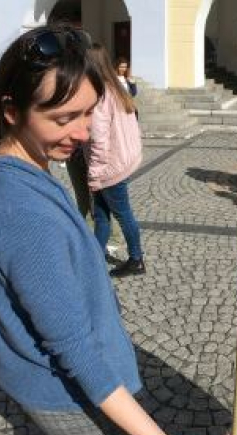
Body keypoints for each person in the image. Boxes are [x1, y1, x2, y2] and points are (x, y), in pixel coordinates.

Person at [0, 25, 237, 435]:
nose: (83, 132)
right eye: (64, 118)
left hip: (54, 388)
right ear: (11, 110)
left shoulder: (19, 168)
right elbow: (75, 351)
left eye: (88, 113)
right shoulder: (21, 211)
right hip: (71, 393)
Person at [86, 44, 146, 278]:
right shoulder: (116, 88)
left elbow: (99, 140)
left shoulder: (100, 95)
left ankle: (136, 259)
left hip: (110, 167)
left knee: (122, 214)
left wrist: (94, 175)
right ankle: (94, 258)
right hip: (122, 161)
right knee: (101, 214)